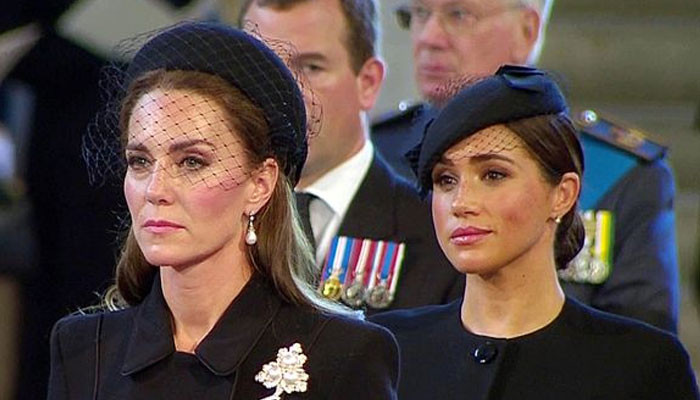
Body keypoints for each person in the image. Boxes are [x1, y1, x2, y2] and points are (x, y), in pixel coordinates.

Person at [47, 22, 398, 399]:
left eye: (191, 162)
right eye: (140, 161)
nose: (155, 190)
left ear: (260, 184)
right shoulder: (84, 349)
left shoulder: (343, 355)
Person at [370, 65, 699, 400]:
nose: (460, 203)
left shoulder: (642, 365)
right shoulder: (385, 350)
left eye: (494, 175)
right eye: (446, 180)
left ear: (563, 195)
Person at [371, 0, 680, 332]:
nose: (428, 37)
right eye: (419, 14)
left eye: (458, 15)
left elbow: (638, 346)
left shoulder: (618, 173)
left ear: (527, 31)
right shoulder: (379, 154)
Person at [235, 0, 462, 312]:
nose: (283, 94)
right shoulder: (208, 220)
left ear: (368, 83)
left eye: (311, 68)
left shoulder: (440, 236)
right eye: (264, 69)